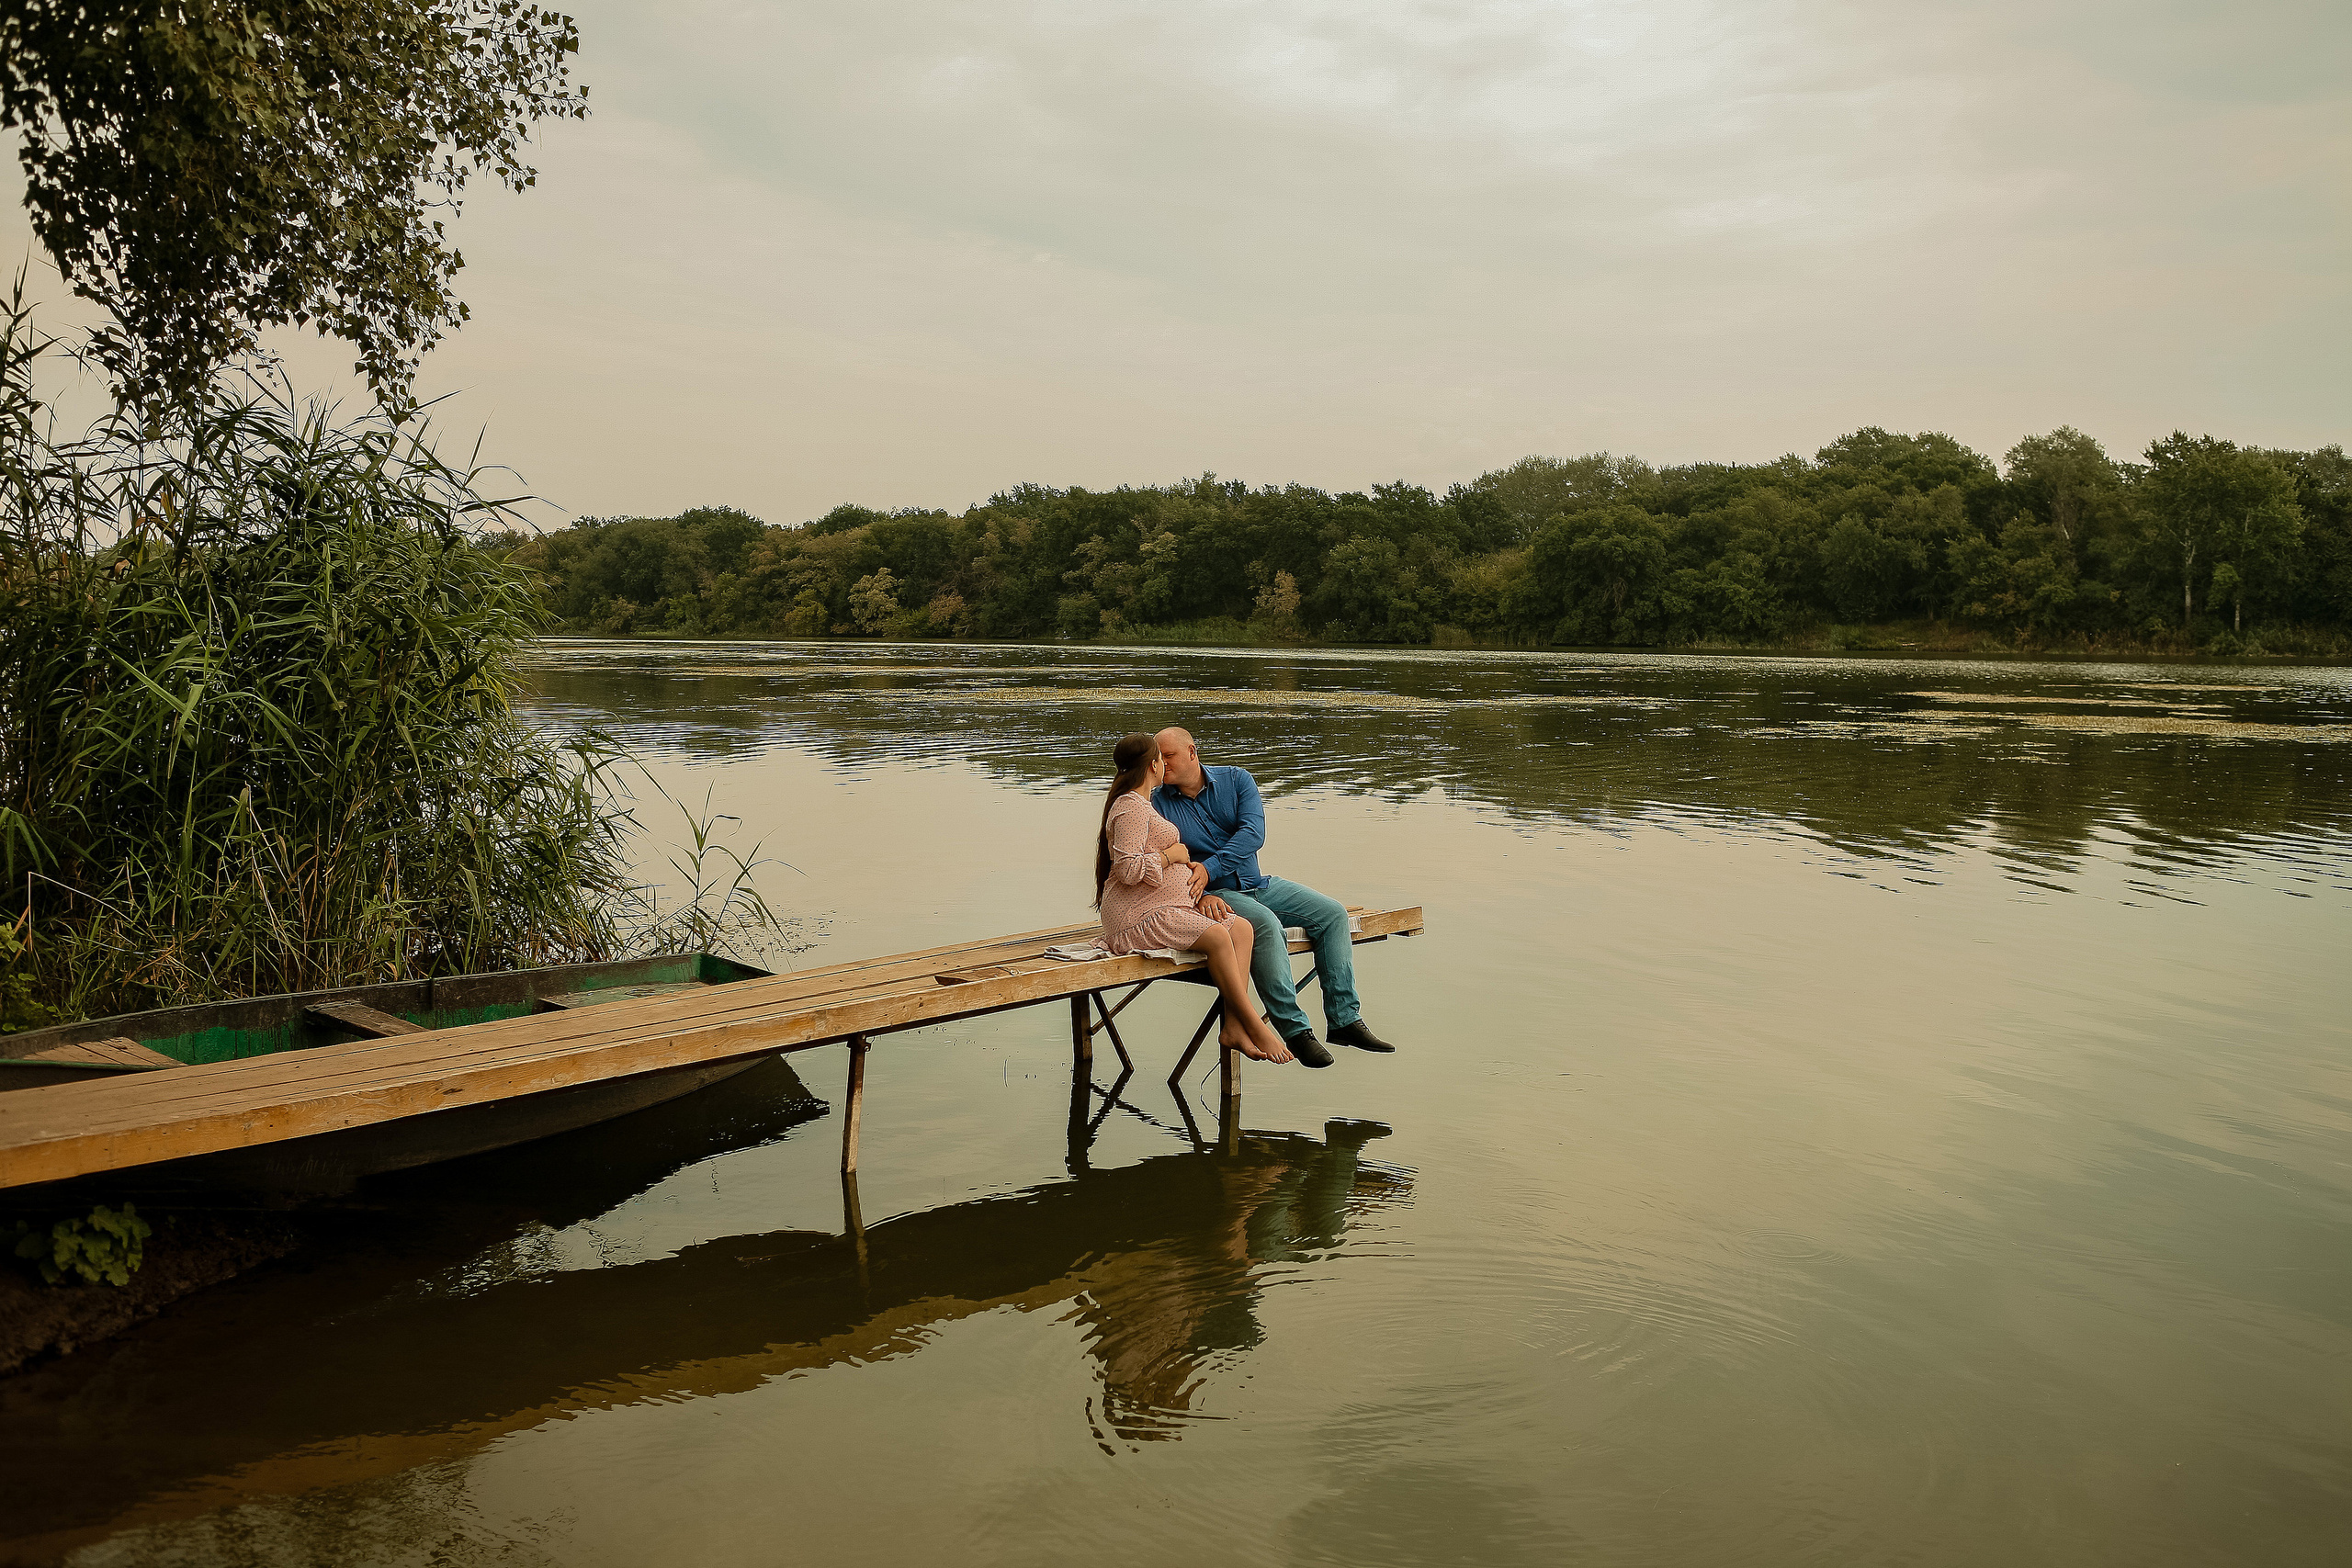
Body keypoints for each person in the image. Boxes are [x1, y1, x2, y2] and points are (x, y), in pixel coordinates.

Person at [1151, 727, 1398, 1071]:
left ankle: (1345, 1021)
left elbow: (1253, 833)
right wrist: (1203, 891)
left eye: (1169, 755)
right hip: (1212, 895)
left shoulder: (1237, 780)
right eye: (1157, 758)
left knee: (1332, 914)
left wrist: (1209, 866)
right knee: (1265, 926)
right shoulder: (1156, 802)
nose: (1161, 764)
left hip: (1258, 883)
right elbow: (1163, 858)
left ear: (1192, 752)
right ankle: (1295, 1030)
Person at [1095, 733, 1295, 1066]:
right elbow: (1128, 870)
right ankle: (1254, 1024)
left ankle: (1232, 1026)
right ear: (1153, 765)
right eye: (1162, 757)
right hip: (1136, 915)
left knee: (1242, 929)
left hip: (1165, 907)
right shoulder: (1129, 807)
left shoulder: (1143, 804)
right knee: (1218, 936)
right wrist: (1171, 856)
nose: (1166, 763)